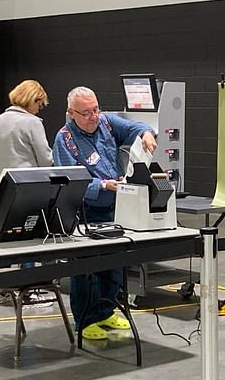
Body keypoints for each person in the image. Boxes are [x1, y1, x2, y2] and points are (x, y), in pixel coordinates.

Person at [52, 86, 157, 340]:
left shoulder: (107, 123)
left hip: (115, 208)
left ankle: (107, 310)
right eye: (86, 112)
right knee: (86, 267)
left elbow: (135, 126)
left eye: (96, 109)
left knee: (114, 264)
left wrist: (146, 133)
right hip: (86, 210)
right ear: (71, 113)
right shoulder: (64, 139)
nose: (93, 116)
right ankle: (86, 320)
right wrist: (102, 185)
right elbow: (68, 181)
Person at [0, 79, 54, 306]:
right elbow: (45, 159)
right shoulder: (33, 123)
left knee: (3, 239)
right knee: (29, 237)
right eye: (40, 104)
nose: (40, 108)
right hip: (27, 189)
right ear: (33, 100)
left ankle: (0, 290)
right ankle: (30, 290)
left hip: (1, 188)